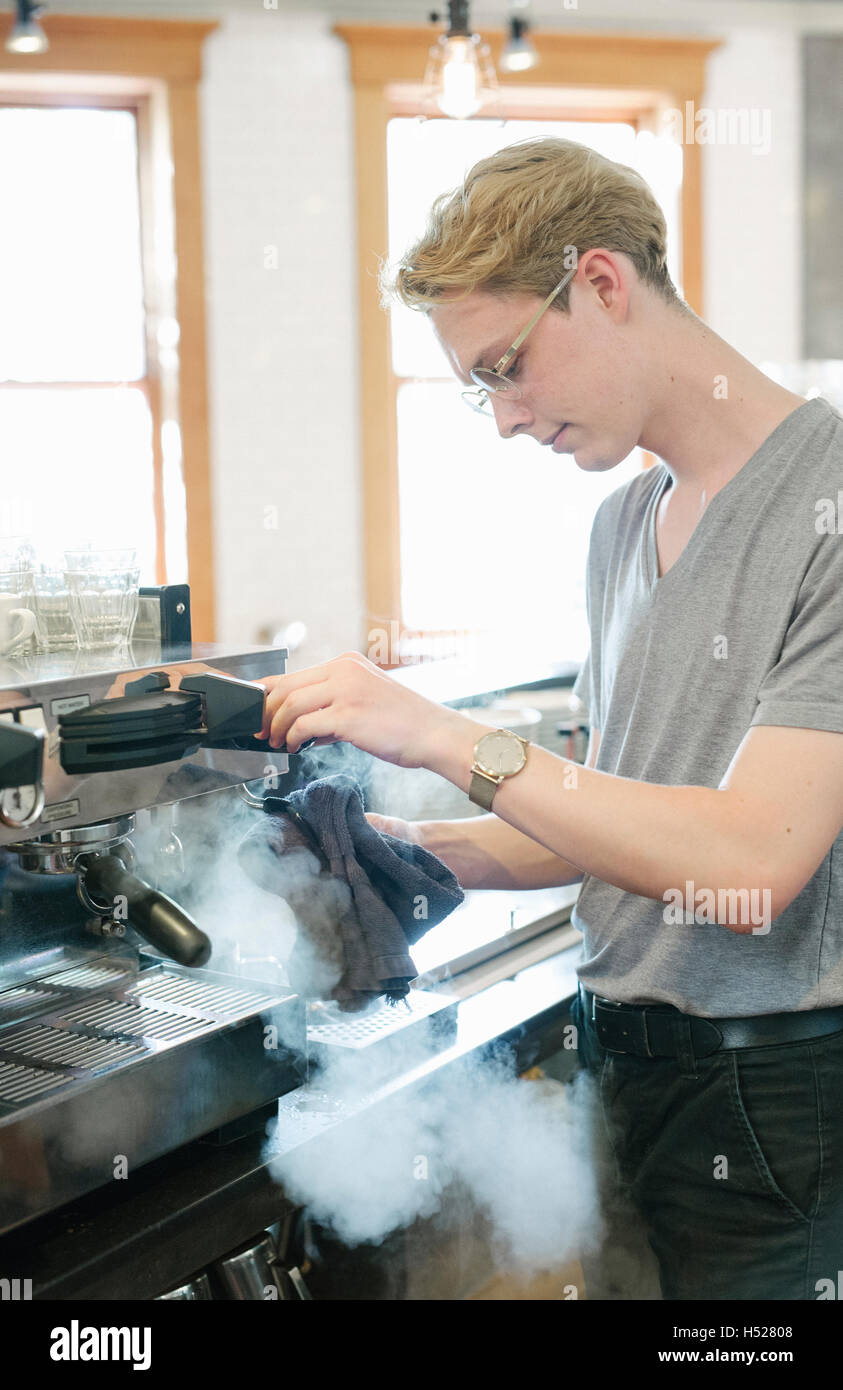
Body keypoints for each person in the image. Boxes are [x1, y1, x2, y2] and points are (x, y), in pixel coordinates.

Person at [256, 138, 843, 1300]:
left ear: (603, 282)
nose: (506, 419)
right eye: (481, 387)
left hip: (772, 1095)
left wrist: (443, 735)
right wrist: (415, 855)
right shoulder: (622, 528)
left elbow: (755, 858)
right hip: (617, 1064)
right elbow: (615, 819)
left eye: (508, 366)